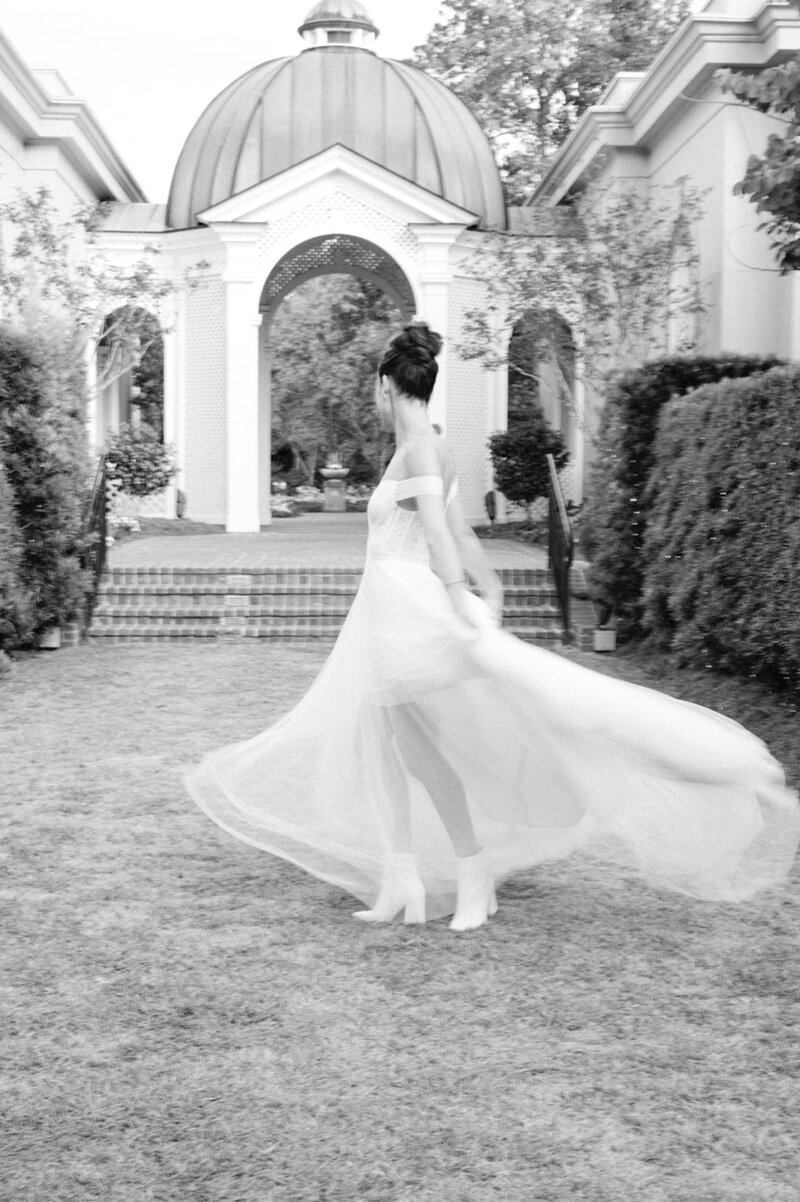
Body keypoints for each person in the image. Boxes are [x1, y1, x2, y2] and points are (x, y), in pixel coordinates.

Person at [185, 321, 800, 929]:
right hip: (386, 607)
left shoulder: (423, 446)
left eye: (374, 391)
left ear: (384, 386)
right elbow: (455, 529)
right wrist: (495, 584)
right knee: (389, 746)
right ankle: (402, 880)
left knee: (424, 752)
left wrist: (459, 596)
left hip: (407, 607)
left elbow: (436, 533)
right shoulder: (419, 447)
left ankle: (471, 870)